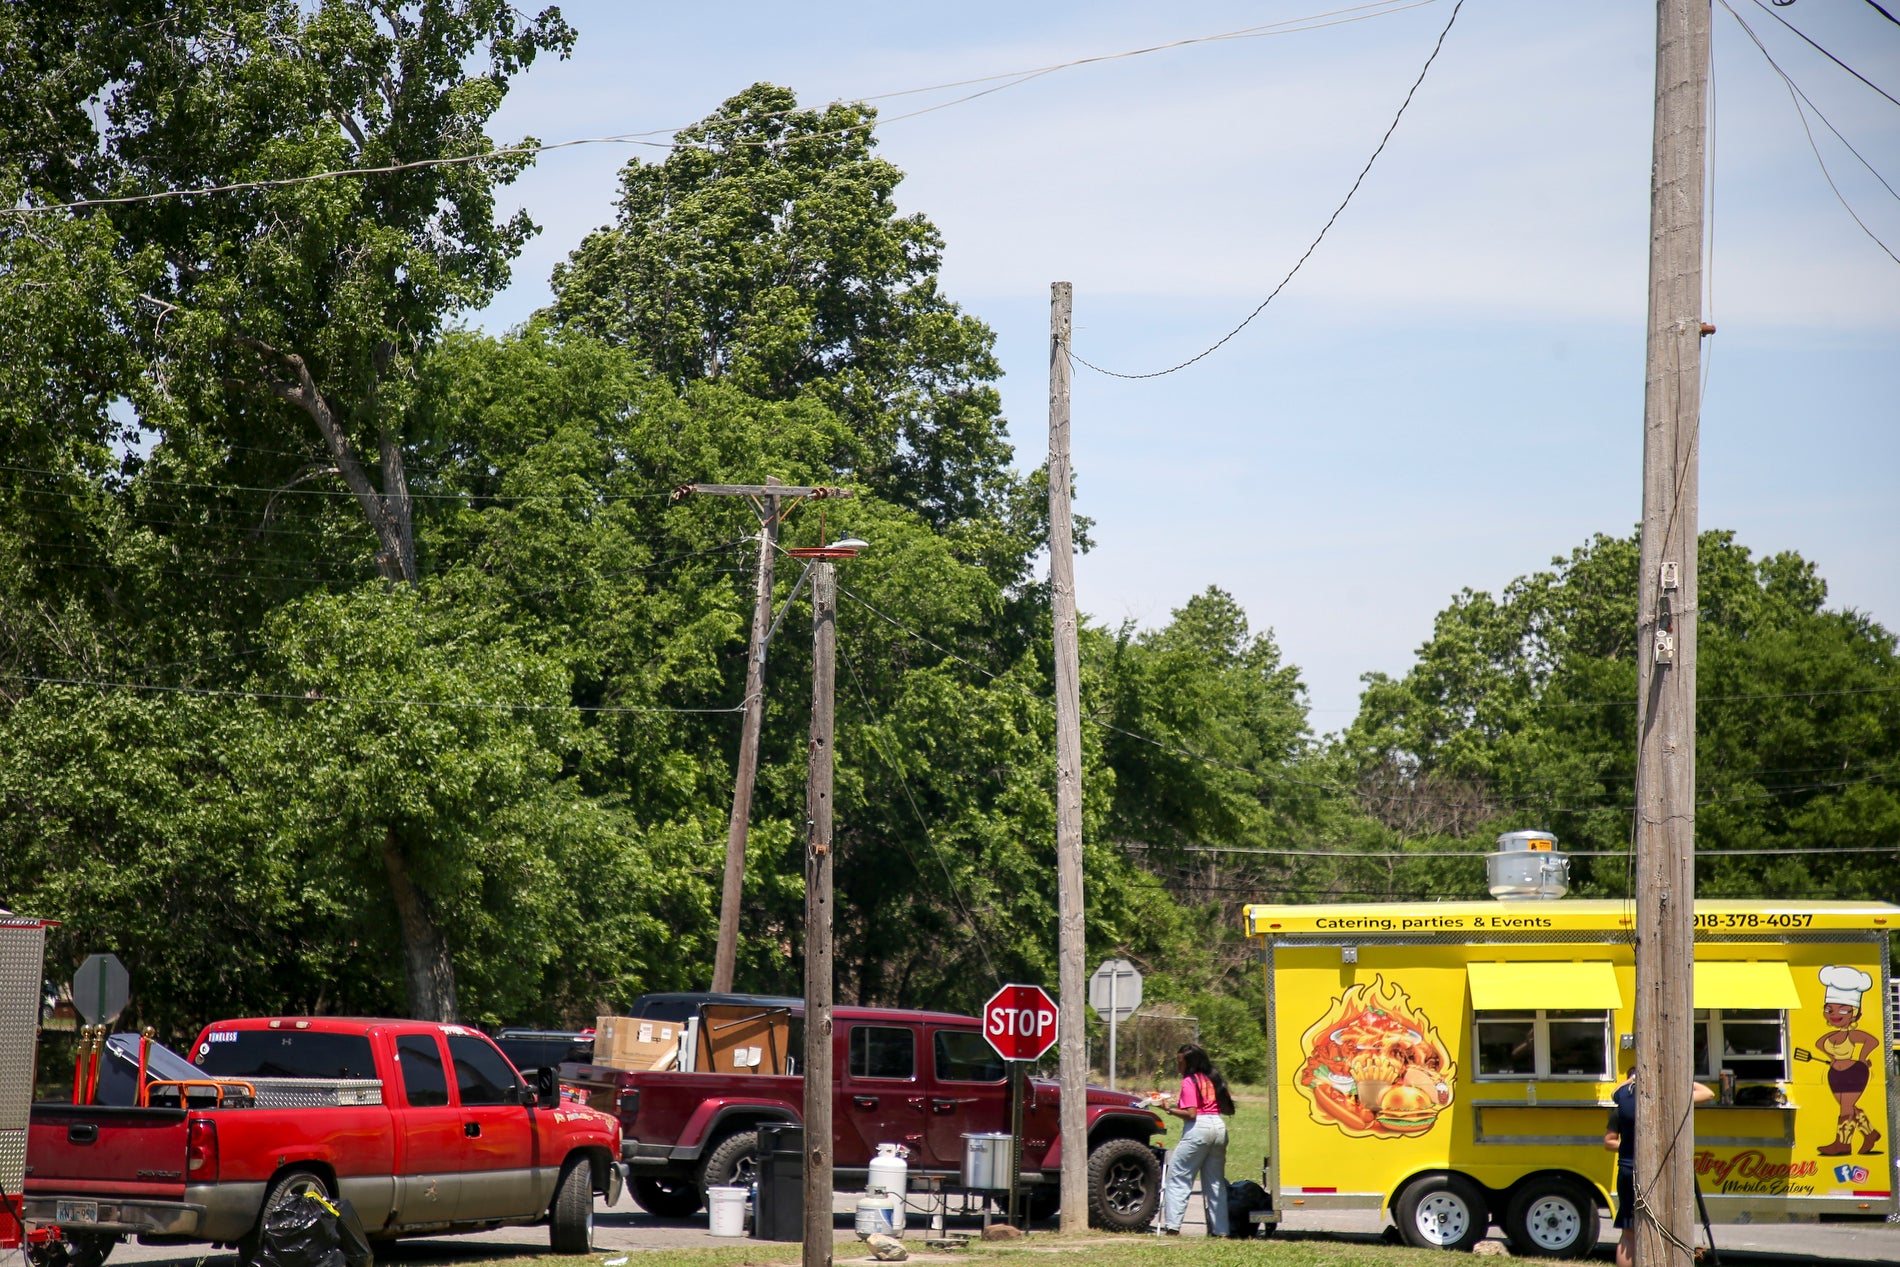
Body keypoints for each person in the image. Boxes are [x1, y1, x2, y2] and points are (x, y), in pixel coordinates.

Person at [1603, 1066, 1716, 1267]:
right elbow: (1708, 1093)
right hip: (1661, 1169)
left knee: (1628, 1233)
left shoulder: (1622, 1101)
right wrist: (1674, 1078)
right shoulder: (1666, 1096)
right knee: (1664, 1225)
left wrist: (1631, 1081)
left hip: (1628, 1170)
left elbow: (1614, 1092)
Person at [1157, 1043, 1235, 1236]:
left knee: (1178, 1177)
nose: (1178, 1066)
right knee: (1215, 1183)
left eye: (1180, 1062)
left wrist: (1167, 1109)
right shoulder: (1213, 1077)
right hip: (1218, 1127)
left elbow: (1191, 1114)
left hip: (1198, 1128)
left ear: (1190, 1063)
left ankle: (1173, 1228)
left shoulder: (1189, 1081)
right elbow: (1228, 1108)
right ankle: (1221, 1231)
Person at [1814, 965, 1880, 1156]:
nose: (1835, 1014)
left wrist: (1862, 1058)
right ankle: (1870, 1134)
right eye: (1830, 1009)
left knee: (1845, 1109)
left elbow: (1872, 1041)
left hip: (1854, 1073)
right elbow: (1819, 1044)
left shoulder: (1853, 1034)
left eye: (1843, 1011)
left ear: (1854, 1013)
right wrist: (1832, 1058)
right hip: (1835, 1074)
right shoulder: (1830, 1036)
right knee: (1849, 1108)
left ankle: (1842, 1144)